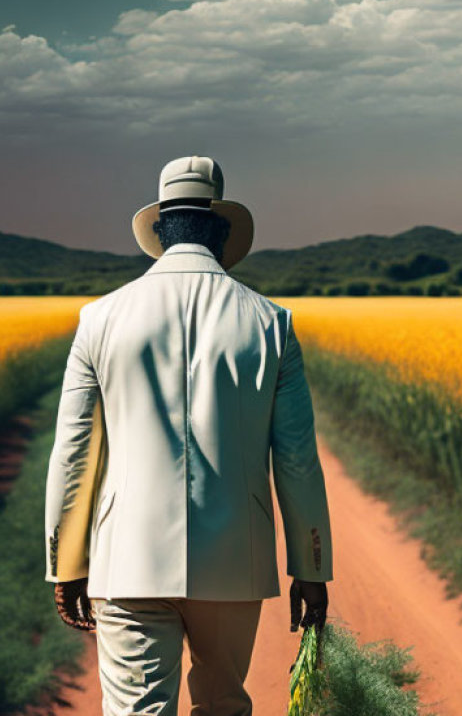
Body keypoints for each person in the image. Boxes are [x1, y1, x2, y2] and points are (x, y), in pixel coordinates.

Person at [44, 155, 333, 715]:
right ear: (223, 231)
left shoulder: (99, 319)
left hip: (126, 560)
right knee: (223, 706)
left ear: (158, 231)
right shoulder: (272, 322)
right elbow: (297, 460)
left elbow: (74, 452)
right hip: (235, 564)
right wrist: (311, 568)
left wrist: (66, 563)